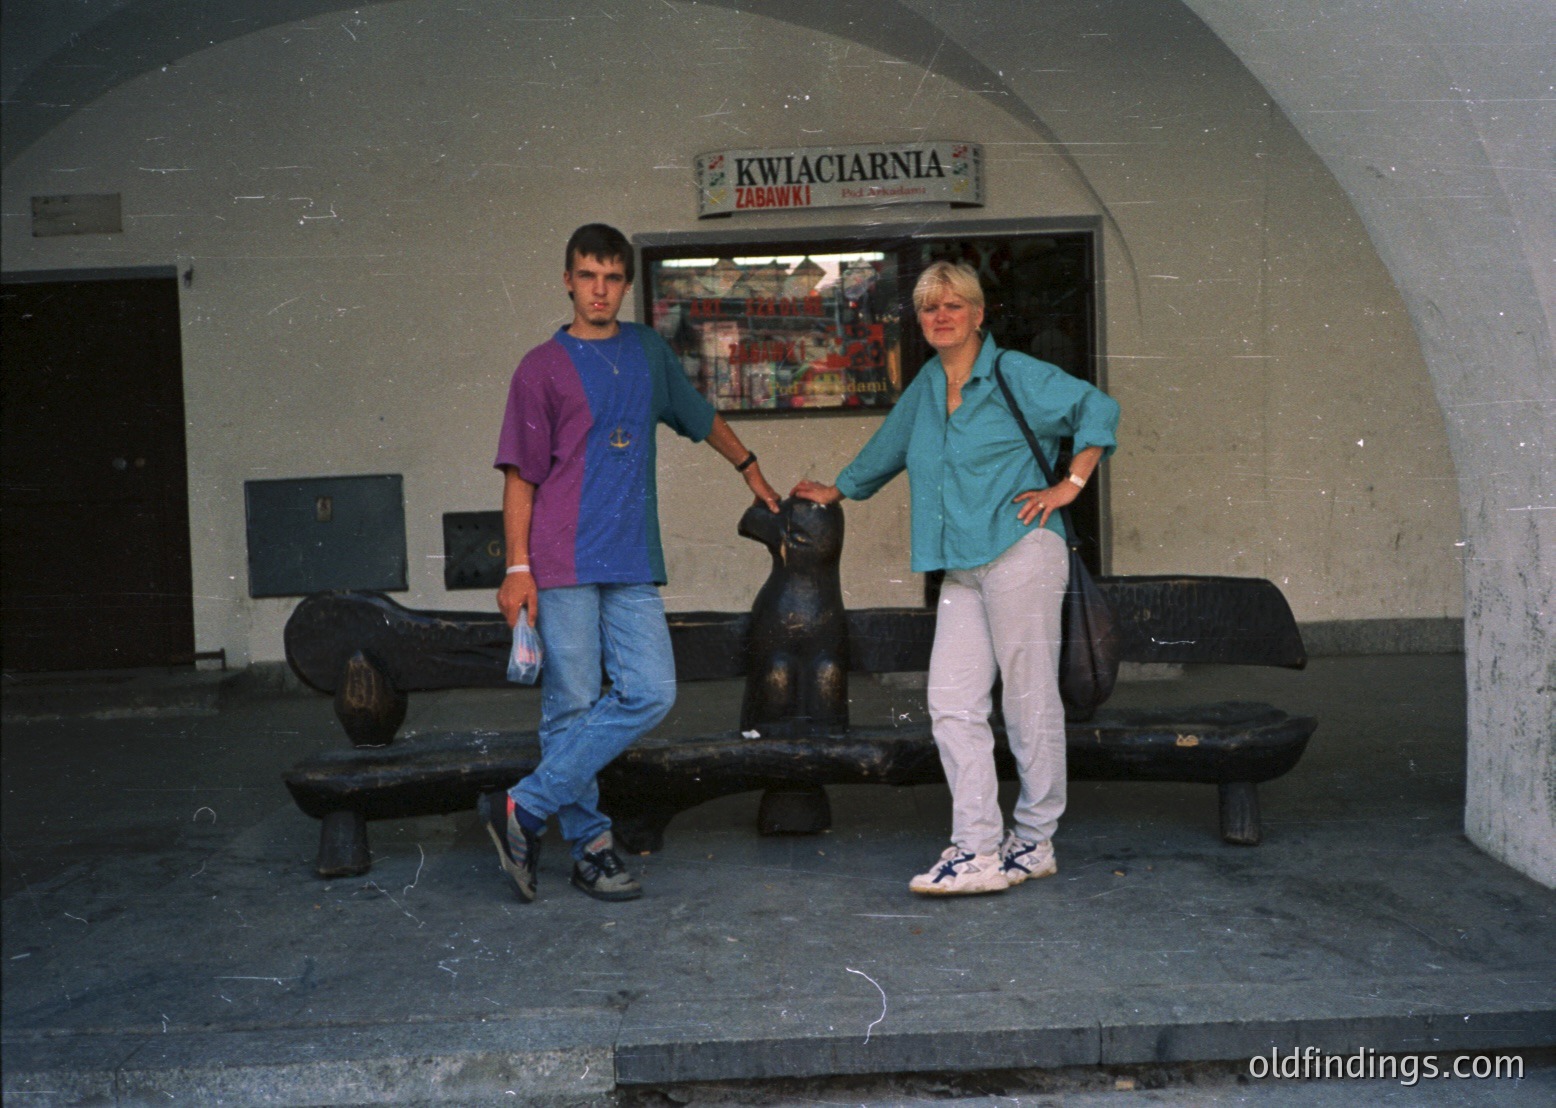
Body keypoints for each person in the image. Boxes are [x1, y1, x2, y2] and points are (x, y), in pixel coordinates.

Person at [793, 260, 1119, 896]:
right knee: (950, 701)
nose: (940, 316)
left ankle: (1034, 838)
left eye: (953, 305)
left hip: (1022, 548)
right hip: (962, 564)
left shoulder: (1014, 373)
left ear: (977, 313)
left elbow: (1096, 409)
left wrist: (1068, 486)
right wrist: (838, 489)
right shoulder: (926, 385)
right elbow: (888, 447)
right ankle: (976, 846)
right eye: (928, 308)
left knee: (1028, 699)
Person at [482, 223, 780, 903]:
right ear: (567, 280)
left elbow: (698, 415)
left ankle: (523, 806)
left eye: (613, 278)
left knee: (650, 690)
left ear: (626, 284)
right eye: (588, 276)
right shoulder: (540, 367)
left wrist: (750, 469)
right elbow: (521, 478)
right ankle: (590, 850)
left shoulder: (647, 351)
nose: (600, 290)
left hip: (631, 556)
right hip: (560, 560)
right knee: (572, 706)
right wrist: (517, 568)